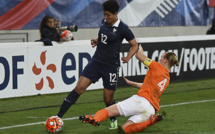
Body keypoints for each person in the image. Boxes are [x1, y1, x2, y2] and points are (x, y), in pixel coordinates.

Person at [56, 0, 138, 130]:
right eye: (104, 14)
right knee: (79, 88)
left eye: (108, 15)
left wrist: (128, 57)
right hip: (96, 62)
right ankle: (58, 117)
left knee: (107, 98)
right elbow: (104, 38)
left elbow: (135, 45)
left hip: (111, 66)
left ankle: (113, 119)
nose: (105, 17)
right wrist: (97, 40)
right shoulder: (105, 23)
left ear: (116, 13)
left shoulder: (123, 28)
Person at [79, 45, 179, 133]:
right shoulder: (167, 78)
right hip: (151, 110)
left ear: (165, 60)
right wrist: (132, 83)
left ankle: (95, 119)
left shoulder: (156, 66)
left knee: (108, 111)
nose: (159, 59)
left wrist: (139, 50)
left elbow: (138, 56)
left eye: (161, 58)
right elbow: (148, 86)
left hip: (141, 101)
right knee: (124, 129)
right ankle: (150, 122)